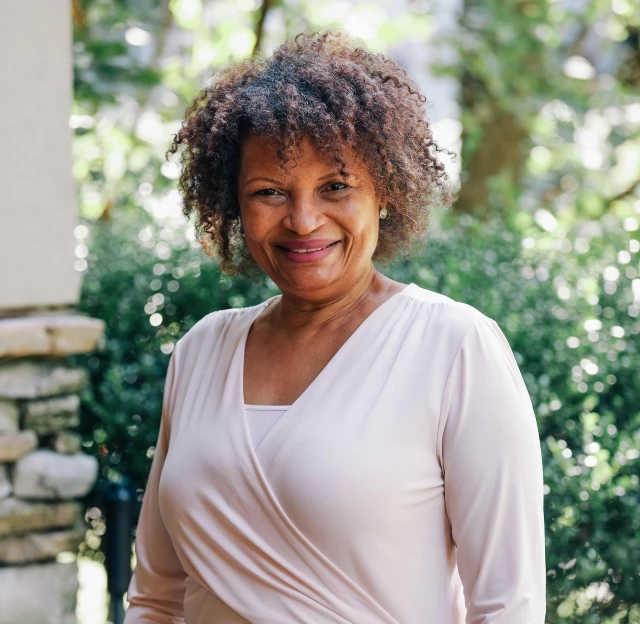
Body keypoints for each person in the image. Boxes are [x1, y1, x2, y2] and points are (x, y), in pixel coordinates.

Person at [124, 31, 546, 624]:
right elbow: (155, 596)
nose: (302, 220)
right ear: (234, 205)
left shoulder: (454, 347)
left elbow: (508, 605)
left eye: (336, 187)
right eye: (268, 192)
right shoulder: (202, 351)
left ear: (386, 193)